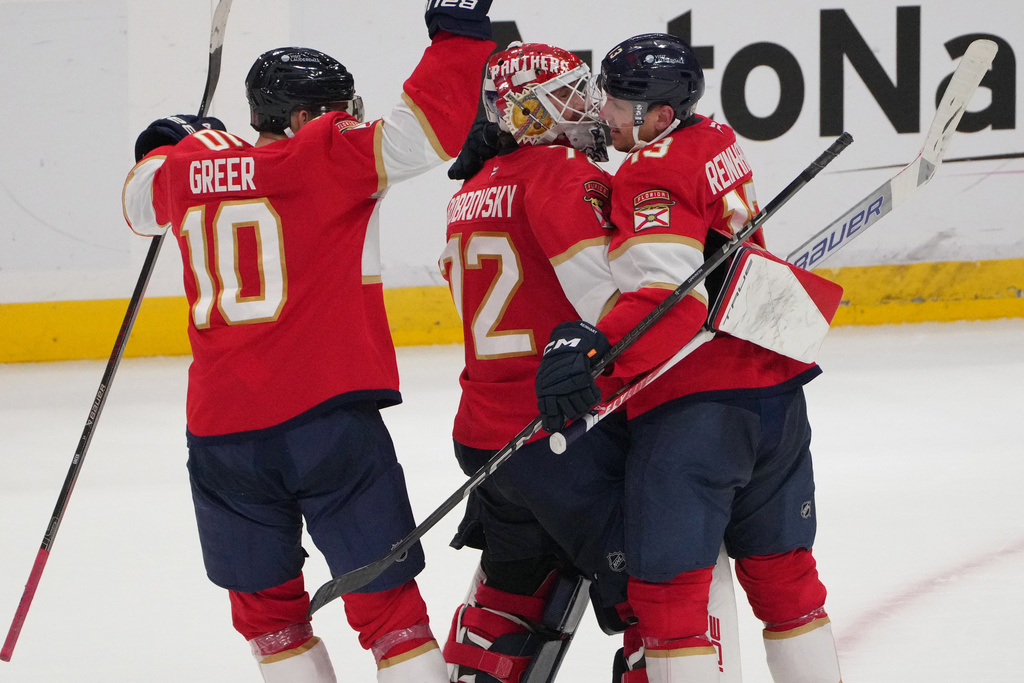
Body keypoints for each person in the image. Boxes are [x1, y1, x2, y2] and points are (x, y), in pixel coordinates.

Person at [119, 4, 495, 681]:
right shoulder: (327, 156)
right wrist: (458, 36)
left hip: (222, 435)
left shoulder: (185, 172)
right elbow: (428, 131)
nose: (346, 115)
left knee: (271, 622)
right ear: (299, 119)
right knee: (390, 613)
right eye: (332, 107)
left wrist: (166, 140)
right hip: (328, 424)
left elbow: (137, 202)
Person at [534, 34, 843, 683]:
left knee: (670, 603)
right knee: (788, 584)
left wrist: (596, 355)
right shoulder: (717, 142)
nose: (606, 113)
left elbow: (668, 303)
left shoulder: (648, 172)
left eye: (620, 103)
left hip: (695, 412)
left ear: (661, 116)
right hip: (774, 399)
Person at [438, 41, 741, 683]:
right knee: (653, 596)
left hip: (484, 435)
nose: (588, 108)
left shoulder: (470, 190)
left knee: (513, 585)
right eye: (567, 97)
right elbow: (617, 308)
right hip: (560, 431)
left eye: (586, 91)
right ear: (524, 113)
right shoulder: (562, 173)